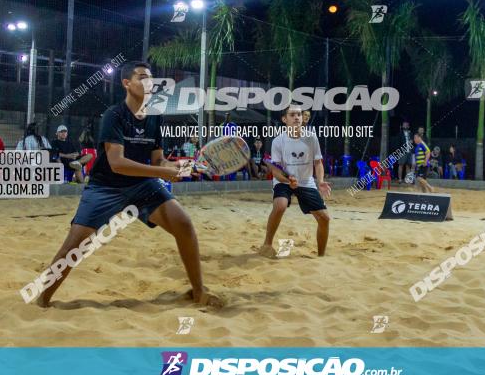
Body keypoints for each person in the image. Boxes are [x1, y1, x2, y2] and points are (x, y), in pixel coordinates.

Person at [34, 61, 220, 307]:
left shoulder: (155, 118)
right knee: (75, 245)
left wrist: (176, 167)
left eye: (151, 78)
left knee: (184, 224)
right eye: (142, 77)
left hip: (143, 186)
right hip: (105, 186)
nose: (149, 83)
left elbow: (158, 159)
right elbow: (117, 163)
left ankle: (198, 292)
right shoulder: (114, 115)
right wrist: (162, 172)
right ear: (126, 83)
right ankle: (43, 300)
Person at [260, 105, 331, 257]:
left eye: (298, 114)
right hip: (284, 181)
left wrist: (320, 181)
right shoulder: (278, 141)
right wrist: (288, 179)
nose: (297, 117)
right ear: (284, 119)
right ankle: (267, 244)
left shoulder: (311, 138)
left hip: (306, 181)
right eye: (292, 115)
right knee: (280, 206)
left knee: (325, 218)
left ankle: (321, 256)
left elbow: (318, 163)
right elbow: (276, 171)